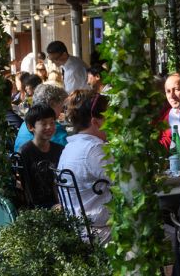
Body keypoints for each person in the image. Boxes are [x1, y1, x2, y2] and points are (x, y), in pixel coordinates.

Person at [57, 90, 112, 244]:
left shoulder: (71, 147)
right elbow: (129, 184)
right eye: (108, 117)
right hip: (98, 233)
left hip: (77, 228)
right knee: (174, 236)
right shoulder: (94, 149)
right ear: (95, 122)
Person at [18, 103, 64, 208]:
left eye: (52, 123)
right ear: (30, 127)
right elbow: (27, 188)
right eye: (44, 124)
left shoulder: (59, 150)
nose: (49, 127)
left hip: (60, 203)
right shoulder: (25, 152)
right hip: (38, 209)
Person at [13, 84, 69, 152]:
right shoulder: (53, 128)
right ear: (52, 103)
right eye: (61, 106)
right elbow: (68, 152)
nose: (61, 111)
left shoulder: (25, 123)